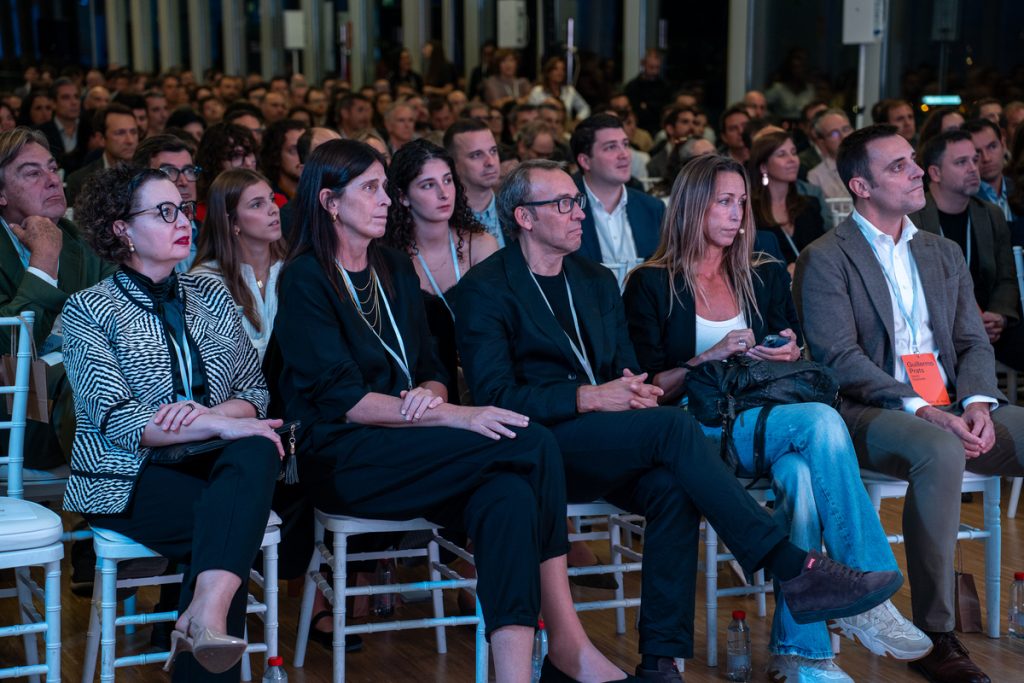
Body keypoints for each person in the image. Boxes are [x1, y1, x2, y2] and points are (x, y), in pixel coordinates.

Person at [453, 158, 903, 682]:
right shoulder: (487, 288)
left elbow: (627, 369)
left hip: (607, 438)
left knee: (671, 484)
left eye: (577, 201)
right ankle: (790, 565)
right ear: (524, 219)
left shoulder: (594, 279)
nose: (578, 213)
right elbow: (495, 396)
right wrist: (593, 398)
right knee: (675, 428)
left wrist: (635, 391)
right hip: (535, 445)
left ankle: (661, 662)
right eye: (563, 204)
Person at [273, 139, 640, 683]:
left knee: (509, 496)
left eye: (383, 187)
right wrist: (453, 415)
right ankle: (567, 642)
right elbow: (344, 402)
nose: (386, 201)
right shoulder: (305, 278)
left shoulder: (394, 268)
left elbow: (434, 368)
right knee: (532, 440)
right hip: (345, 456)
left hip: (414, 441)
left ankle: (514, 675)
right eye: (370, 189)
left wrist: (434, 394)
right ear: (329, 201)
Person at [622, 154, 931, 682]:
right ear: (693, 206)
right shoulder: (650, 283)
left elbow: (792, 344)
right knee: (821, 424)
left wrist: (787, 349)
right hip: (696, 432)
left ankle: (803, 655)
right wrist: (706, 357)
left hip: (771, 419)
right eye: (723, 201)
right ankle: (867, 595)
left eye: (741, 202)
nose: (737, 214)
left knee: (802, 477)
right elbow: (646, 390)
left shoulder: (761, 271)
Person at [793, 124, 1024, 683]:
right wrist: (924, 408)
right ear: (861, 186)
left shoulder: (940, 251)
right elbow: (838, 359)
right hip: (870, 411)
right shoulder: (827, 256)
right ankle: (936, 635)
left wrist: (976, 403)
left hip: (951, 406)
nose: (917, 170)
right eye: (898, 166)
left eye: (913, 161)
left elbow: (971, 340)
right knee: (939, 450)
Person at [62, 163, 284, 680]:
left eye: (184, 209)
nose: (184, 220)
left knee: (254, 448)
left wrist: (213, 420)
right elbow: (122, 423)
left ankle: (203, 612)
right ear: (122, 228)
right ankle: (206, 615)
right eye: (164, 212)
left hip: (210, 465)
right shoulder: (88, 310)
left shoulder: (211, 296)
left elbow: (255, 392)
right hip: (128, 478)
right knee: (228, 529)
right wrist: (219, 424)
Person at [0, 127, 116, 468]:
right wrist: (44, 261)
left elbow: (119, 317)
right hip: (14, 409)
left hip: (77, 395)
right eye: (33, 173)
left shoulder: (79, 239)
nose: (52, 180)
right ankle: (114, 496)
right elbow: (9, 348)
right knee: (83, 373)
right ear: (2, 194)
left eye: (52, 168)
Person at [383, 139, 498, 402]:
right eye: (428, 185)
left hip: (483, 374)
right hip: (421, 385)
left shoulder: (481, 245)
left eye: (447, 180)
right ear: (402, 196)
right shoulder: (389, 260)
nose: (444, 193)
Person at [909, 129, 1022, 371]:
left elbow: (1006, 278)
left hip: (987, 324)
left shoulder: (990, 214)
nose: (973, 168)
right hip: (935, 326)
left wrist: (999, 316)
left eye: (974, 160)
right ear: (935, 173)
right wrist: (967, 322)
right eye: (961, 162)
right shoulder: (912, 219)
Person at [191, 169, 285, 363]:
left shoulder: (291, 268)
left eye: (271, 199)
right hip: (236, 392)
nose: (273, 209)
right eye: (257, 204)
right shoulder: (204, 282)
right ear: (232, 221)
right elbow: (215, 360)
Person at [571, 114, 665, 267]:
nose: (625, 155)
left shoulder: (653, 209)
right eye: (611, 147)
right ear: (585, 161)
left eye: (625, 144)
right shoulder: (566, 210)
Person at [749, 130, 826, 270]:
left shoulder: (809, 205)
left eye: (793, 152)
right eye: (782, 154)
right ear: (763, 166)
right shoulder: (750, 211)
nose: (792, 159)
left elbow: (824, 252)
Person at [133, 134, 203, 272]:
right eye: (169, 172)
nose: (183, 181)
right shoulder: (132, 241)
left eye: (189, 171)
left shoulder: (212, 236)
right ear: (141, 179)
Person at [445, 118, 504, 246]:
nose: (490, 162)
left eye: (493, 151)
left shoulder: (514, 211)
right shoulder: (444, 219)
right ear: (453, 164)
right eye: (476, 155)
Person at [65, 103, 140, 205]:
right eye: (120, 133)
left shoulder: (148, 175)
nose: (130, 140)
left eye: (133, 132)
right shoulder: (79, 181)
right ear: (101, 139)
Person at [806, 108, 853, 200]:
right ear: (822, 141)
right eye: (834, 133)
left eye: (846, 129)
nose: (843, 136)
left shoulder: (873, 165)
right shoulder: (816, 176)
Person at [527, 56, 591, 123]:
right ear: (548, 72)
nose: (560, 72)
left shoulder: (569, 91)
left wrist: (576, 122)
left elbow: (585, 108)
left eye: (563, 69)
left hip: (564, 130)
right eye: (556, 69)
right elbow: (530, 113)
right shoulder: (537, 91)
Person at [624, 50, 672, 136]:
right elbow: (633, 109)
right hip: (638, 129)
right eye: (651, 67)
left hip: (659, 128)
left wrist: (647, 105)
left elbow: (666, 108)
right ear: (643, 64)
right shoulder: (633, 86)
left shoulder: (665, 86)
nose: (654, 71)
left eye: (657, 67)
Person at [259, 119, 307, 201]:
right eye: (293, 150)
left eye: (306, 148)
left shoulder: (320, 194)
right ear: (275, 156)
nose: (304, 156)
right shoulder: (267, 198)